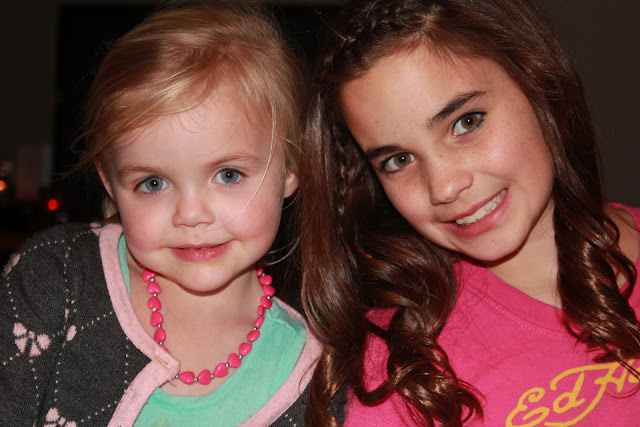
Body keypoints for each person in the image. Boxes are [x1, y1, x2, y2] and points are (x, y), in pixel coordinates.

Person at [298, 0, 640, 425]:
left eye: (466, 122)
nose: (443, 187)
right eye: (399, 160)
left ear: (535, 81)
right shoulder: (403, 373)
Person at [0, 3, 340, 425]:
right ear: (110, 183)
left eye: (228, 174)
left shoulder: (318, 379)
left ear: (291, 168)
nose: (191, 215)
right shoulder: (56, 278)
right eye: (153, 183)